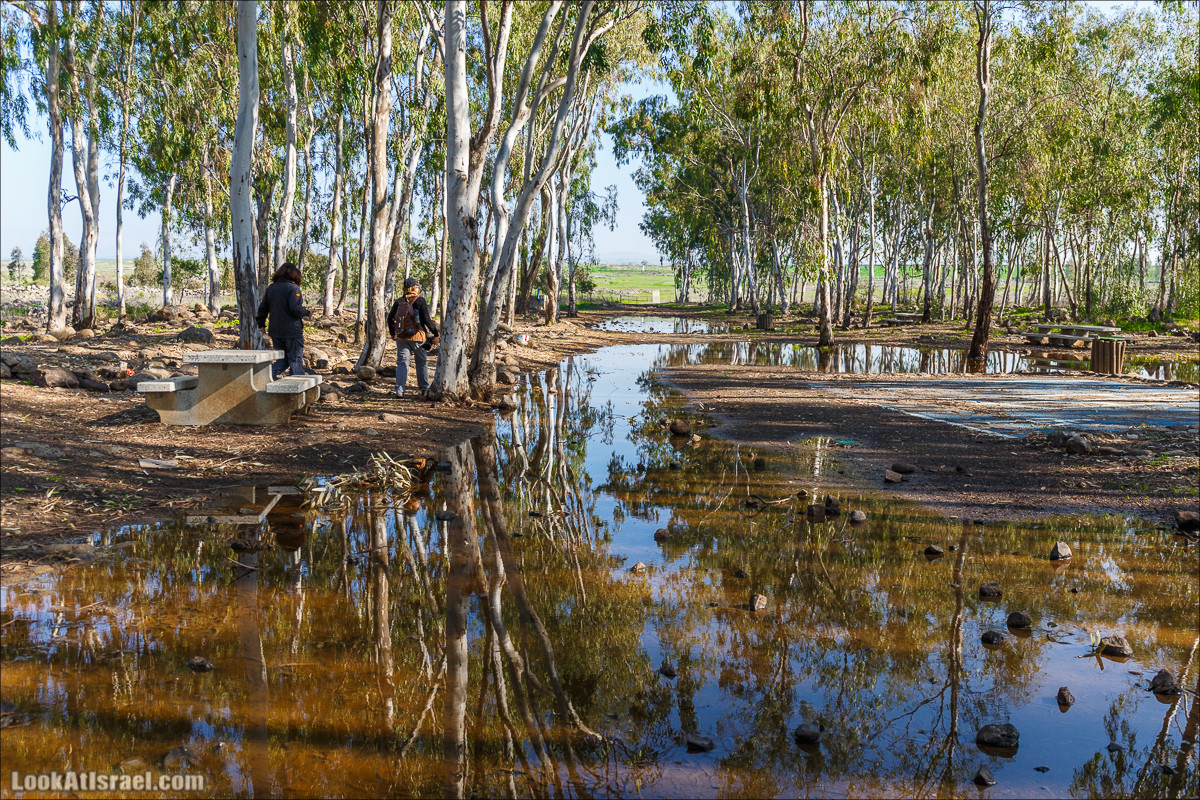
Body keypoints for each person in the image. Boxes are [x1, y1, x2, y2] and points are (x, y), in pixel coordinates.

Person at [255, 262, 312, 379]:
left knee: (283, 359)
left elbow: (262, 308)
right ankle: (296, 389)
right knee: (295, 360)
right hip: (291, 331)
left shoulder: (271, 288)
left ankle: (263, 378)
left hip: (275, 331)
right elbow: (295, 308)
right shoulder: (293, 288)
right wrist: (307, 313)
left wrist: (261, 324)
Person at [387, 277, 439, 398]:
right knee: (421, 363)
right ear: (413, 288)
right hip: (417, 337)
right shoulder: (420, 300)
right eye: (417, 286)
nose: (418, 288)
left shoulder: (398, 301)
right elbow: (426, 320)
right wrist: (435, 334)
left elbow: (390, 318)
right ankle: (424, 389)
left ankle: (400, 390)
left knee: (402, 363)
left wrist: (393, 333)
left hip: (401, 337)